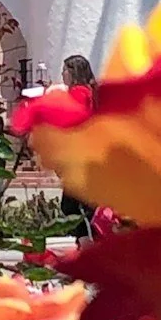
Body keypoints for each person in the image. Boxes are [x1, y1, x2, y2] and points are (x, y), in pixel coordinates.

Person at [58, 55, 96, 232]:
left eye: (65, 69)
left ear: (74, 72)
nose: (62, 73)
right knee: (84, 203)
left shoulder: (78, 93)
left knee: (72, 206)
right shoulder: (89, 91)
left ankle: (89, 241)